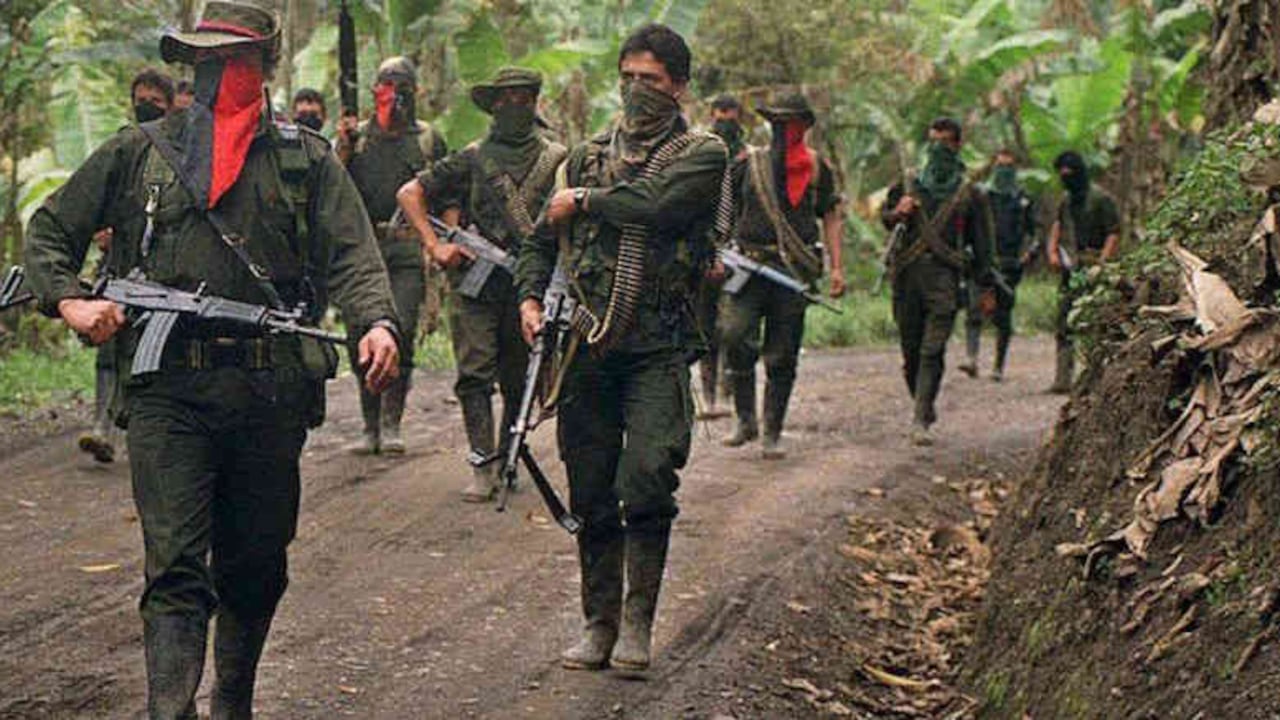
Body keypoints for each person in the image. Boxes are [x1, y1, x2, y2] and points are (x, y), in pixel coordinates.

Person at [23, 4, 402, 717]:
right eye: (208, 60)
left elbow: (355, 256)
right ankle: (170, 710)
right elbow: (49, 233)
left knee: (256, 565)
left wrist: (377, 323)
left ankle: (233, 698)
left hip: (268, 390)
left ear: (263, 67)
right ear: (191, 67)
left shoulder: (305, 161)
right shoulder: (138, 153)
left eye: (237, 60)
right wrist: (70, 301)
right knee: (174, 567)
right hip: (168, 390)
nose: (221, 73)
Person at [515, 23, 728, 673]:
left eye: (652, 81)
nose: (638, 91)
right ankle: (599, 623)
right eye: (629, 78)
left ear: (679, 86)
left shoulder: (703, 153)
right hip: (588, 346)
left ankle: (638, 622)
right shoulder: (582, 156)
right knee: (591, 487)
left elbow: (656, 205)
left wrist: (583, 200)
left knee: (649, 475)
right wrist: (529, 299)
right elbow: (539, 241)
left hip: (658, 344)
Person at [396, 67, 566, 502]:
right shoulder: (472, 158)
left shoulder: (558, 159)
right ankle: (481, 463)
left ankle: (508, 457)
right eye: (506, 99)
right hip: (477, 284)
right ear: (492, 106)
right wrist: (435, 245)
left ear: (535, 103)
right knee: (474, 374)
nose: (514, 106)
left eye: (523, 98)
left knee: (518, 378)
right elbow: (409, 194)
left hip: (530, 286)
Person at [719, 93, 845, 459]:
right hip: (747, 267)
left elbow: (831, 216)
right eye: (776, 122)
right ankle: (745, 420)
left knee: (783, 353)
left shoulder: (818, 168)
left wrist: (837, 268)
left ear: (803, 126)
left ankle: (772, 432)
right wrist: (717, 252)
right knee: (734, 334)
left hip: (793, 272)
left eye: (789, 123)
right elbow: (724, 211)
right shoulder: (748, 164)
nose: (782, 130)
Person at [336, 56, 448, 455]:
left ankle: (391, 423)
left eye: (402, 86)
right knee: (359, 333)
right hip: (364, 249)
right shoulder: (358, 138)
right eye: (387, 86)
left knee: (399, 328)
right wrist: (343, 146)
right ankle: (370, 426)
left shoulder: (427, 139)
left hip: (407, 248)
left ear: (415, 92)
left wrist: (437, 246)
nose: (395, 95)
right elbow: (333, 188)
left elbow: (446, 194)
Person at [78, 68, 179, 463]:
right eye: (141, 99)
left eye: (155, 100)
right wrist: (100, 228)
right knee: (108, 343)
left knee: (144, 351)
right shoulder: (121, 146)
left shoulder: (180, 150)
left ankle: (134, 423)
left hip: (162, 266)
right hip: (119, 260)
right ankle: (102, 428)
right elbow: (93, 197)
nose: (146, 105)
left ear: (170, 105)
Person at [882, 117, 993, 446]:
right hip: (907, 279)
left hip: (945, 280)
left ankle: (919, 417)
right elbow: (886, 220)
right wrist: (898, 212)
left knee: (933, 349)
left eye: (944, 142)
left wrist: (986, 287)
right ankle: (923, 402)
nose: (938, 148)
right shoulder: (908, 183)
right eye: (933, 141)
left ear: (958, 145)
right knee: (911, 353)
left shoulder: (970, 193)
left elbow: (983, 246)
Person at [692, 93, 749, 421]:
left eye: (731, 112)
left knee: (733, 327)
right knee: (704, 326)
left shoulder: (749, 158)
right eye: (721, 112)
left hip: (740, 253)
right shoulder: (700, 153)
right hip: (704, 251)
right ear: (712, 113)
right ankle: (710, 396)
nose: (726, 117)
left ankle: (729, 392)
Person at [958, 148, 1036, 382]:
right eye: (1000, 166)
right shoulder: (982, 196)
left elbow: (1033, 231)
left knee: (1002, 315)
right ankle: (971, 359)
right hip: (980, 261)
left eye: (1008, 166)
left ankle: (998, 366)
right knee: (974, 308)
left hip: (1009, 263)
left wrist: (1028, 254)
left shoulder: (1022, 199)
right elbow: (966, 226)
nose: (1003, 171)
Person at [1045, 150, 1120, 393]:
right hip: (1071, 267)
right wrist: (1052, 252)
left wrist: (1101, 264)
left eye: (1069, 172)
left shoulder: (1100, 199)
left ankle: (1094, 379)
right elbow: (1057, 225)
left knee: (1095, 322)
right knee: (1064, 322)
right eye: (1061, 173)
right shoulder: (1066, 200)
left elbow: (1113, 233)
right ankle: (1062, 379)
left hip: (1093, 266)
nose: (1065, 177)